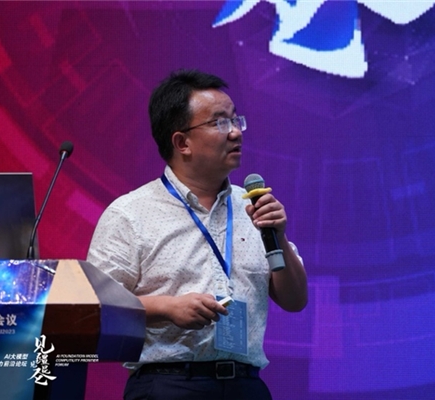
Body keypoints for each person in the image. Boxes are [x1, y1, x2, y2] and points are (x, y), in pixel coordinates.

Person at [87, 69, 308, 400]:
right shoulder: (130, 214)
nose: (235, 132)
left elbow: (295, 300)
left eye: (236, 120)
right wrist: (166, 308)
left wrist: (278, 237)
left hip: (246, 386)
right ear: (182, 143)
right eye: (220, 123)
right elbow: (94, 309)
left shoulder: (253, 206)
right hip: (168, 385)